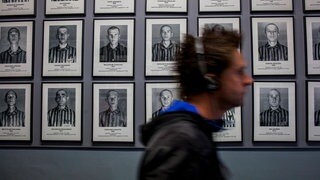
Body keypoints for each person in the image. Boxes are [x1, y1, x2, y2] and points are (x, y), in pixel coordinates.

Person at [139, 27, 253, 179]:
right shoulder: (180, 141)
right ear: (212, 80)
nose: (248, 80)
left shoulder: (193, 132)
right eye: (239, 72)